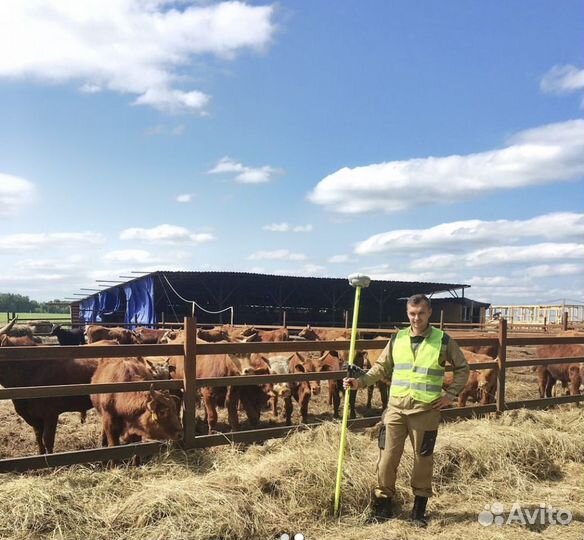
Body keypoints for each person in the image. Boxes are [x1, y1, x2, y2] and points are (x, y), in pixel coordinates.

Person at [343, 294, 469, 527]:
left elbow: (462, 369)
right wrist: (360, 382)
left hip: (426, 411)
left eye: (421, 313)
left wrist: (450, 396)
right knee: (387, 459)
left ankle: (419, 510)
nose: (416, 318)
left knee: (423, 460)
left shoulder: (443, 341)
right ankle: (383, 505)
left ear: (429, 312)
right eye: (412, 313)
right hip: (396, 410)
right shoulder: (398, 339)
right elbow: (381, 368)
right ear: (407, 313)